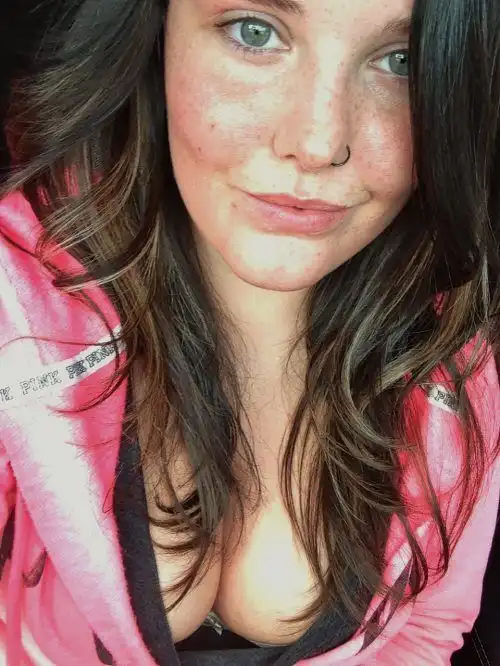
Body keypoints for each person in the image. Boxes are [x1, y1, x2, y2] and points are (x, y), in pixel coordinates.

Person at [0, 0, 499, 664]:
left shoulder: (454, 344)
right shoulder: (16, 311)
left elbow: (427, 629)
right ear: (156, 33)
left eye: (402, 62)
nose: (319, 142)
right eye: (254, 32)